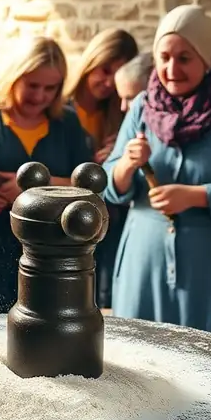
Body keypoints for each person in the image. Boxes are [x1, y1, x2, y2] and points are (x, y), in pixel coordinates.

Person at [103, 4, 211, 339]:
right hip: (143, 268)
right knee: (141, 364)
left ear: (206, 58)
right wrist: (126, 163)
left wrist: (196, 196)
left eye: (184, 58)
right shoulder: (143, 105)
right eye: (164, 57)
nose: (171, 69)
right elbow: (109, 183)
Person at [0, 38, 93, 316]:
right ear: (14, 76)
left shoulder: (67, 122)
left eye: (51, 88)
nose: (40, 96)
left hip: (52, 251)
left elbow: (88, 185)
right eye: (32, 85)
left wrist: (33, 190)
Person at [64, 29, 138, 308]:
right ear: (91, 60)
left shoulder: (120, 115)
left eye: (116, 75)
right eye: (104, 70)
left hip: (106, 225)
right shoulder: (59, 107)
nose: (108, 83)